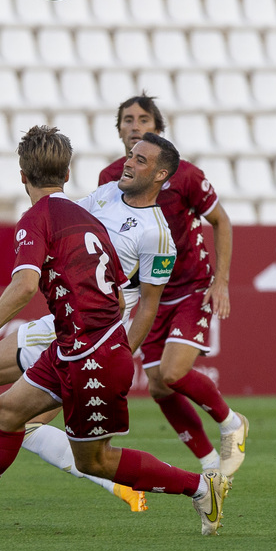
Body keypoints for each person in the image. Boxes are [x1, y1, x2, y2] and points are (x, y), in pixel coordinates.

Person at [0, 125, 226, 536]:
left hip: (96, 350)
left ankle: (201, 487)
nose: (128, 161)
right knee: (7, 411)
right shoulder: (91, 207)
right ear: (68, 175)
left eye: (140, 159)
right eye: (130, 155)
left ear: (22, 175)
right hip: (71, 342)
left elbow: (27, 287)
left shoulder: (130, 230)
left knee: (96, 460)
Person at [100, 94, 249, 480]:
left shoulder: (184, 175)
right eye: (127, 119)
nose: (135, 125)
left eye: (143, 119)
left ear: (158, 129)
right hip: (148, 294)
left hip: (190, 287)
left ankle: (232, 423)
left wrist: (222, 281)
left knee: (172, 373)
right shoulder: (109, 179)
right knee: (159, 387)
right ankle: (210, 466)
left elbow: (222, 221)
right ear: (118, 130)